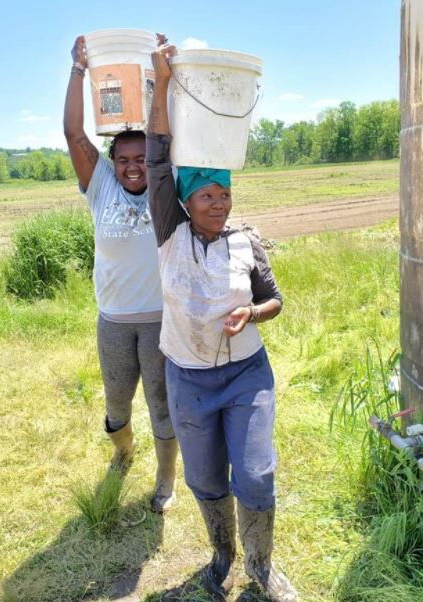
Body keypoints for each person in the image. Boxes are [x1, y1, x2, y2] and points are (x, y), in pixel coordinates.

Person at [145, 40, 299, 601]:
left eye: (225, 194)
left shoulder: (246, 241)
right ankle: (223, 555)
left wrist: (253, 312)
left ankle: (261, 565)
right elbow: (159, 160)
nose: (219, 204)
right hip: (187, 377)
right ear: (186, 201)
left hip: (245, 375)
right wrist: (161, 83)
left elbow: (275, 300)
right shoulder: (170, 233)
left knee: (255, 473)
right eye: (207, 195)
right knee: (205, 479)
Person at [63, 35, 177, 513]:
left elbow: (165, 140)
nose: (134, 167)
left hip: (159, 321)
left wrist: (163, 79)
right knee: (116, 404)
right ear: (112, 165)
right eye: (124, 160)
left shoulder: (163, 184)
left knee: (162, 404)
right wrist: (77, 71)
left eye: (140, 160)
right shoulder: (100, 187)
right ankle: (124, 452)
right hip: (112, 320)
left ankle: (167, 478)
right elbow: (74, 135)